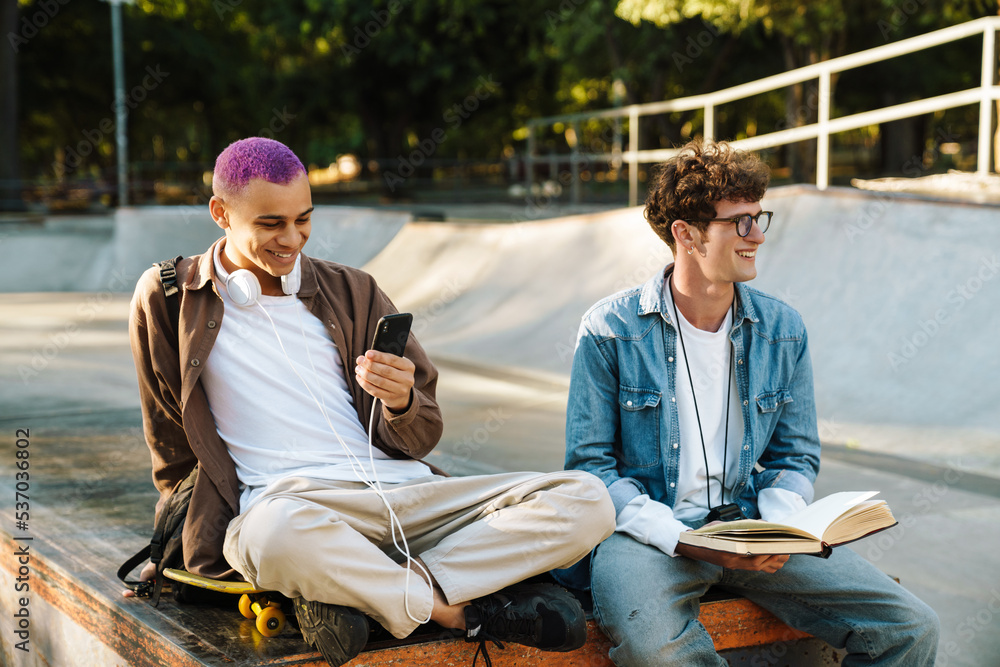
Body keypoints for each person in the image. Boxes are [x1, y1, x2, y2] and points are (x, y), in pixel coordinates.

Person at [127, 137, 615, 666]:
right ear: (221, 213)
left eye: (303, 219)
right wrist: (166, 543)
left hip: (410, 497)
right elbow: (168, 438)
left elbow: (424, 434)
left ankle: (374, 591)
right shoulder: (169, 296)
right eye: (271, 224)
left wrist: (403, 402)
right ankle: (455, 609)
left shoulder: (354, 290)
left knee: (588, 500)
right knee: (269, 538)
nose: (292, 239)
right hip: (293, 509)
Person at [555, 139, 940, 665]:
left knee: (911, 626)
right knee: (659, 652)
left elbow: (794, 456)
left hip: (751, 523)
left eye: (759, 219)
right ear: (686, 234)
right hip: (646, 534)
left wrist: (780, 527)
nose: (757, 235)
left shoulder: (783, 329)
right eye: (739, 222)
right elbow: (590, 468)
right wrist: (683, 539)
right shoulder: (610, 329)